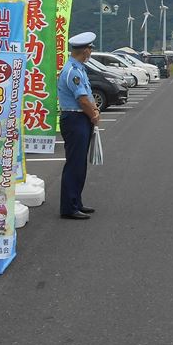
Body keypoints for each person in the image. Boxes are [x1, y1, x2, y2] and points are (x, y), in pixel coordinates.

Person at [58, 31, 100, 220]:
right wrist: (93, 115)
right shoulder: (73, 71)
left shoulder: (78, 68)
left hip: (79, 119)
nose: (91, 52)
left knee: (79, 163)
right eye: (90, 49)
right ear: (84, 51)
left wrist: (93, 110)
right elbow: (82, 100)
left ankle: (76, 201)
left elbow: (86, 97)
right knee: (74, 163)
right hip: (75, 119)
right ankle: (69, 206)